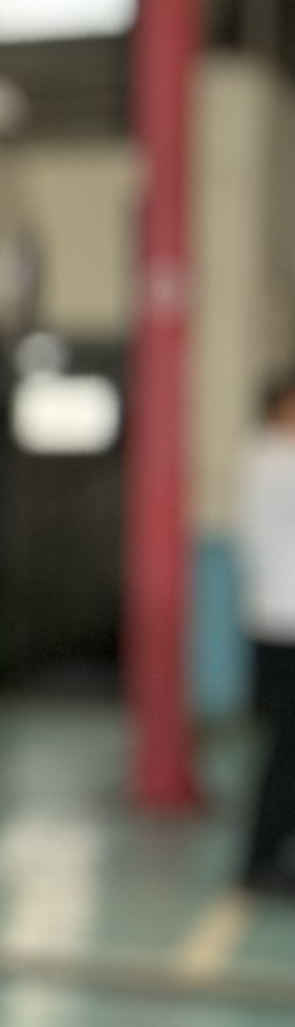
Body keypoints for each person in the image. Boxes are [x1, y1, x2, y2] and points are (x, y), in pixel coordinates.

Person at [239, 376, 295, 890]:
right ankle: (259, 862)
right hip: (284, 628)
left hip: (275, 623)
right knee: (285, 750)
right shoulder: (278, 459)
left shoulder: (265, 458)